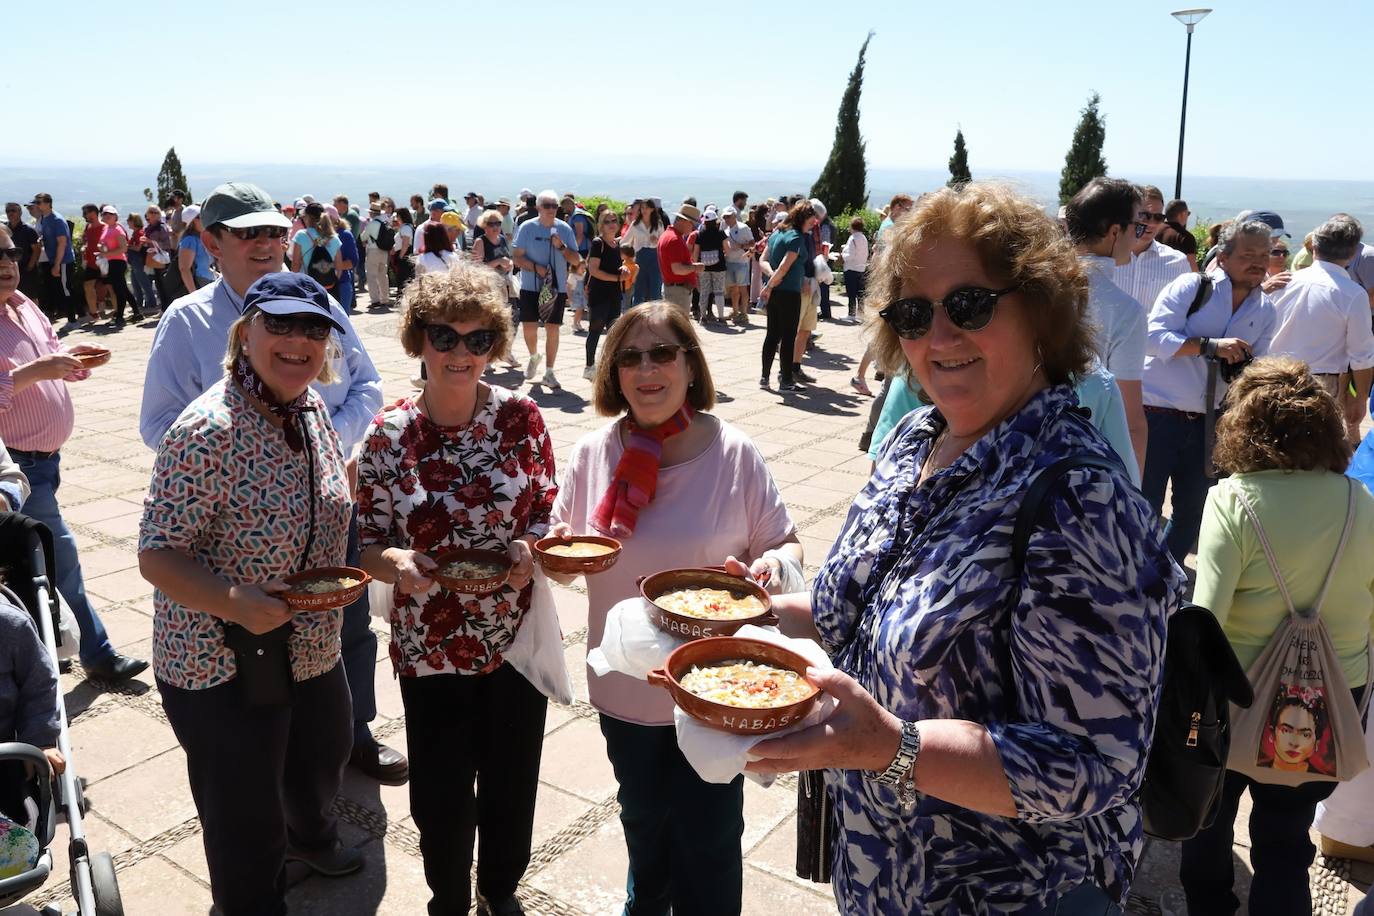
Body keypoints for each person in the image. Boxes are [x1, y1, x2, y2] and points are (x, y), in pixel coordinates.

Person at [745, 182, 1184, 914]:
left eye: (970, 305)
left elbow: (1094, 764)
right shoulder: (914, 441)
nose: (938, 337)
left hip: (1004, 891)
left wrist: (890, 746)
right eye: (913, 314)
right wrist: (755, 617)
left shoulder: (1078, 500)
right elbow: (863, 612)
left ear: (1041, 311)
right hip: (881, 871)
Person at [138, 183, 403, 785]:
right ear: (212, 244)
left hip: (329, 496)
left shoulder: (322, 307)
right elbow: (159, 425)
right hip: (233, 533)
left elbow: (366, 386)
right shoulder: (189, 322)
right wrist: (241, 463)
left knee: (345, 632)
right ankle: (271, 784)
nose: (265, 244)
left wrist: (323, 445)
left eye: (273, 232)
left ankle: (350, 739)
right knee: (252, 658)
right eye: (247, 233)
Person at [547, 301, 802, 916]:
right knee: (644, 824)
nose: (647, 369)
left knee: (711, 838)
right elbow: (558, 543)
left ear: (691, 364)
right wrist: (554, 559)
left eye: (663, 352)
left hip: (718, 693)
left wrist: (767, 570)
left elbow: (783, 541)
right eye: (630, 356)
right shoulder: (592, 453)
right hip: (627, 691)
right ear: (613, 372)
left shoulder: (733, 453)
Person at [139, 273, 363, 916]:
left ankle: (311, 840)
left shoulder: (311, 406)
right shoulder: (207, 429)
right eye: (281, 324)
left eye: (315, 328)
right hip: (219, 657)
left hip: (309, 643)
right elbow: (156, 553)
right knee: (244, 814)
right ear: (245, 332)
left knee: (325, 750)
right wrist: (234, 600)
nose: (299, 342)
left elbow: (327, 485)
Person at [356, 260, 557, 916]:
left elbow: (545, 509)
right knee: (439, 797)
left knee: (511, 786)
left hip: (514, 644)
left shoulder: (523, 419)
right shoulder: (388, 434)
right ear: (420, 342)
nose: (461, 353)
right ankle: (447, 895)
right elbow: (365, 543)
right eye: (445, 337)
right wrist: (394, 562)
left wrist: (531, 545)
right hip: (430, 645)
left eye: (477, 340)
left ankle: (499, 891)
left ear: (494, 345)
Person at [1180, 356, 1374, 916]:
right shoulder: (1362, 503)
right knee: (1287, 839)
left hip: (1231, 698)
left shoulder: (1232, 499)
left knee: (1209, 823)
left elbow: (1205, 619)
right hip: (1331, 698)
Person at [0, 223, 146, 682]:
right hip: (17, 467)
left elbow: (42, 366)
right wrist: (37, 369)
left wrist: (67, 357)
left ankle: (45, 653)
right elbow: (21, 377)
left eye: (8, 253)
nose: (5, 264)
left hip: (46, 461)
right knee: (60, 557)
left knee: (35, 561)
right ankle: (96, 653)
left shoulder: (23, 306)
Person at [1142, 219, 1278, 564]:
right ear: (1224, 255)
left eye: (1266, 254)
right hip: (1157, 416)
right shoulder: (1192, 287)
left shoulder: (1265, 310)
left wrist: (1244, 369)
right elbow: (1152, 338)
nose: (1259, 262)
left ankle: (1163, 580)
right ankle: (1133, 580)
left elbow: (1257, 366)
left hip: (1211, 423)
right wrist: (1210, 346)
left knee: (1193, 512)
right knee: (1143, 508)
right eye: (1249, 254)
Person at [1066, 177, 1149, 472]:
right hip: (1081, 463)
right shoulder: (1125, 310)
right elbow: (1130, 420)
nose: (1138, 238)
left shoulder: (1029, 287)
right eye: (1137, 227)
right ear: (1115, 231)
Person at [1269, 214, 1374, 444]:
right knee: (1314, 455)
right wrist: (1360, 398)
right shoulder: (1352, 294)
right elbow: (1362, 355)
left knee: (1274, 448)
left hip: (1271, 377)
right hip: (1320, 385)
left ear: (1314, 246)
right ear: (1353, 253)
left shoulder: (1282, 282)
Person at [512, 189, 581, 391]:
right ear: (538, 208)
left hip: (556, 287)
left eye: (554, 206)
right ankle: (534, 356)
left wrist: (561, 247)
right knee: (529, 327)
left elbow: (576, 260)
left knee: (553, 328)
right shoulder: (527, 228)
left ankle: (549, 372)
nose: (551, 210)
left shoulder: (565, 229)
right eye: (547, 206)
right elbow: (516, 257)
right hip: (531, 286)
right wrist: (536, 268)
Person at [760, 200, 816, 392]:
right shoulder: (796, 237)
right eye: (811, 218)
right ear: (803, 218)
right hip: (789, 293)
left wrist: (770, 280)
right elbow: (786, 265)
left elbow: (763, 260)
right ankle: (786, 381)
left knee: (772, 335)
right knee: (788, 337)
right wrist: (770, 284)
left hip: (776, 292)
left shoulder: (777, 234)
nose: (813, 222)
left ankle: (764, 377)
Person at [1113, 184, 1190, 313]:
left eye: (1158, 217)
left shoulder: (1178, 262)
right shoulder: (1107, 256)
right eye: (1144, 216)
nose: (1151, 223)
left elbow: (1184, 311)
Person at [584, 210, 627, 379]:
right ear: (601, 225)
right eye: (607, 221)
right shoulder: (598, 243)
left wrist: (622, 268)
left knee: (614, 331)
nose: (611, 224)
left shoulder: (617, 244)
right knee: (595, 329)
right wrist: (617, 278)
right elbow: (593, 270)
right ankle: (589, 367)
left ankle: (610, 365)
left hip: (614, 294)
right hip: (599, 294)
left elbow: (616, 264)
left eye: (614, 220)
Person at [96, 205, 142, 326]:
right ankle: (137, 312)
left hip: (118, 262)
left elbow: (123, 248)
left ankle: (120, 316)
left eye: (110, 214)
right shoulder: (107, 228)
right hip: (111, 262)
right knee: (123, 289)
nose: (106, 216)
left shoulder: (117, 229)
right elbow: (102, 243)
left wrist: (106, 253)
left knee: (119, 290)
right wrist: (102, 248)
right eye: (105, 214)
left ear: (115, 216)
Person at [290, 203, 345, 296]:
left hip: (307, 287)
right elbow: (339, 268)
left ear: (307, 217)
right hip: (328, 287)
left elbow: (295, 266)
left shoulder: (301, 235)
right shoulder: (334, 238)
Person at [657, 204, 701, 317]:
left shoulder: (667, 235)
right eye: (693, 224)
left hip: (673, 289)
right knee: (678, 328)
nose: (694, 228)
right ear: (684, 221)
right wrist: (696, 267)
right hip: (678, 291)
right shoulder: (674, 239)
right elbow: (677, 269)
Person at [691, 207, 729, 324]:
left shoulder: (700, 235)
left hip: (703, 267)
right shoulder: (721, 233)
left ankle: (703, 316)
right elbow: (727, 249)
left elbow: (696, 253)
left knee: (704, 291)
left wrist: (695, 266)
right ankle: (721, 317)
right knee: (718, 291)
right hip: (719, 266)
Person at [625, 198, 664, 305]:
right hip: (640, 258)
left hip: (655, 258)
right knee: (639, 291)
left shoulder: (658, 224)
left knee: (655, 291)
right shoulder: (635, 225)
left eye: (646, 208)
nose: (644, 210)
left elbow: (664, 242)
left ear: (652, 209)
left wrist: (657, 241)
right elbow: (625, 242)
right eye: (642, 208)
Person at [721, 206, 754, 326]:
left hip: (741, 262)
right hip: (730, 261)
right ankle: (735, 311)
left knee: (742, 288)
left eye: (728, 217)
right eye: (725, 217)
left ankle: (744, 313)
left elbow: (752, 244)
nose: (726, 219)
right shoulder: (725, 229)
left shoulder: (743, 228)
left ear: (734, 216)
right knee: (733, 288)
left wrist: (740, 246)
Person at [3, 204, 40, 305]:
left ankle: (35, 319)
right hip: (10, 269)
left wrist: (30, 267)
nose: (10, 213)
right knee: (10, 296)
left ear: (20, 213)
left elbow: (36, 250)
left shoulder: (29, 230)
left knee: (31, 297)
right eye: (8, 211)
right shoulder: (4, 229)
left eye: (13, 210)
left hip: (26, 270)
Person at [125, 212, 160, 317]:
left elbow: (138, 248)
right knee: (136, 285)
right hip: (134, 263)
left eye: (129, 220)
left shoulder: (140, 233)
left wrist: (127, 247)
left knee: (145, 284)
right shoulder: (135, 233)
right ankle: (139, 304)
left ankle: (151, 304)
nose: (127, 222)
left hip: (139, 263)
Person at [361, 200, 393, 308]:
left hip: (373, 250)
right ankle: (385, 298)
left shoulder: (371, 224)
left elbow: (363, 237)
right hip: (384, 251)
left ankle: (375, 300)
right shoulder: (385, 223)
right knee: (383, 275)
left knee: (371, 275)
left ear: (372, 213)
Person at [78, 204, 106, 323]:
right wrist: (84, 247)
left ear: (93, 213)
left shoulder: (104, 227)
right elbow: (86, 241)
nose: (84, 216)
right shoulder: (87, 227)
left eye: (85, 213)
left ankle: (116, 311)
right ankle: (94, 313)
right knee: (88, 286)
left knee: (108, 285)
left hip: (104, 261)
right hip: (91, 262)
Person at [177, 205, 215, 292]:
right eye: (200, 216)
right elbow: (184, 269)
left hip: (208, 280)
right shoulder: (189, 240)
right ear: (192, 221)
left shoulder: (199, 238)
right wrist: (194, 293)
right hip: (201, 283)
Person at [1156, 198, 1200, 270]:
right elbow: (1192, 266)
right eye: (1188, 214)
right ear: (1182, 214)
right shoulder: (1185, 237)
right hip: (1176, 278)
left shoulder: (1155, 231)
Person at [331, 207, 359, 311]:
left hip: (341, 284)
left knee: (342, 322)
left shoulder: (344, 235)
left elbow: (353, 262)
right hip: (322, 286)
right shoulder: (318, 236)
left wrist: (330, 267)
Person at [393, 207, 416, 294]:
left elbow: (405, 243)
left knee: (403, 278)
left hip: (404, 255)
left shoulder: (406, 228)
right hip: (405, 254)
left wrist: (400, 256)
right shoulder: (406, 227)